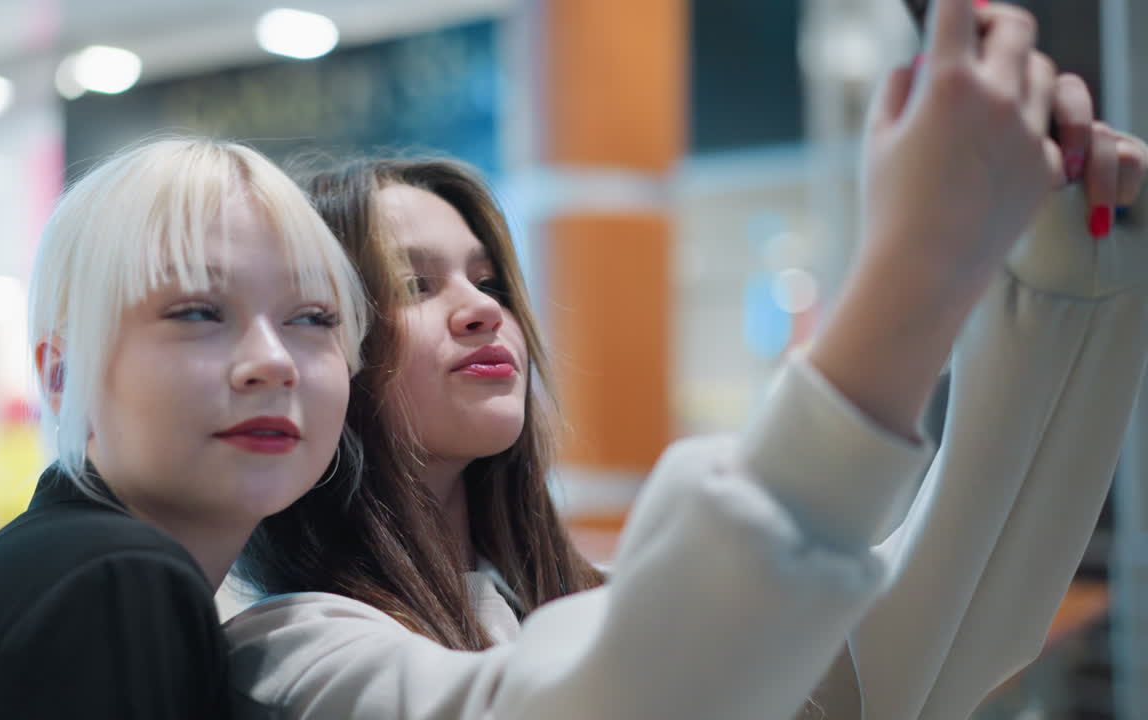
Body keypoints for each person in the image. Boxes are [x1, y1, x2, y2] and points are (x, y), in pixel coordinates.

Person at [228, 3, 1148, 719]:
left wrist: (1065, 278)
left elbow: (919, 639)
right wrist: (924, 260)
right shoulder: (291, 654)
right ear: (324, 345)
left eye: (486, 278)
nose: (480, 309)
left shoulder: (544, 600)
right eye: (415, 286)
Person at [0, 138, 368, 719]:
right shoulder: (116, 578)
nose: (273, 362)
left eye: (312, 318)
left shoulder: (66, 565)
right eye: (199, 312)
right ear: (61, 375)